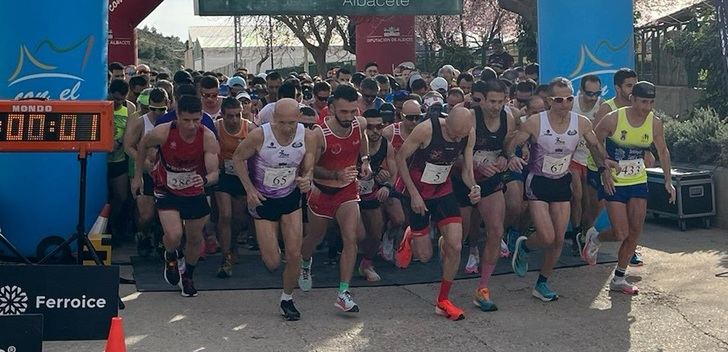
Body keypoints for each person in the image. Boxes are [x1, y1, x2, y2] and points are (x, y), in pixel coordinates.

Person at [506, 77, 607, 302]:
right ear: (550, 100)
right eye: (559, 99)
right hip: (538, 183)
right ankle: (525, 246)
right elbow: (513, 144)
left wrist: (603, 165)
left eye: (569, 99)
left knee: (558, 240)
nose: (565, 103)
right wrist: (512, 156)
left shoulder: (581, 123)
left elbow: (595, 145)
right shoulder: (535, 122)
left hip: (561, 182)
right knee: (547, 236)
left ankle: (542, 282)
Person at [582, 81, 676, 294]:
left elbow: (663, 151)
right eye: (643, 101)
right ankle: (595, 237)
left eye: (651, 102)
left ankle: (619, 278)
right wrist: (603, 165)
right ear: (632, 99)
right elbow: (593, 141)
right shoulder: (614, 118)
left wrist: (668, 181)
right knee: (620, 232)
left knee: (635, 231)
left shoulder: (655, 122)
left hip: (637, 180)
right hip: (614, 180)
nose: (647, 107)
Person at [232, 98, 315, 320]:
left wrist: (307, 179)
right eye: (282, 122)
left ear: (298, 118)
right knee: (272, 262)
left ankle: (287, 299)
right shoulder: (260, 135)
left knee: (294, 254)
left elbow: (309, 165)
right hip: (263, 200)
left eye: (291, 122)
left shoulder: (307, 135)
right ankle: (269, 247)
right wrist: (249, 189)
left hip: (289, 198)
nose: (287, 128)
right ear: (273, 119)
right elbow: (237, 158)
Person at [395, 106, 480, 320]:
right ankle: (410, 236)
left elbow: (468, 170)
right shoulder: (426, 130)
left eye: (459, 136)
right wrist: (413, 194)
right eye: (452, 134)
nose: (455, 139)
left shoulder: (467, 133)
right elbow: (400, 158)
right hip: (418, 190)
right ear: (446, 123)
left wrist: (474, 187)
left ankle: (443, 300)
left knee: (456, 245)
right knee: (425, 257)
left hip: (443, 189)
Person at [132, 95, 220, 297]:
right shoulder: (163, 132)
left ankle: (188, 275)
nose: (191, 125)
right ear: (177, 116)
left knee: (195, 238)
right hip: (166, 187)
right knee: (173, 235)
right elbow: (142, 146)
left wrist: (205, 180)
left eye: (196, 120)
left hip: (194, 189)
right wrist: (138, 176)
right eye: (186, 120)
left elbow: (215, 172)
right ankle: (170, 255)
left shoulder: (207, 136)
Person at [297, 85, 371, 313]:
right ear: (330, 110)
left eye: (353, 111)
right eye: (343, 112)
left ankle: (343, 292)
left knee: (351, 238)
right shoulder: (319, 135)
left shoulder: (360, 123)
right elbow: (310, 168)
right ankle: (305, 263)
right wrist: (334, 175)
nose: (349, 117)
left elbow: (364, 139)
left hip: (347, 190)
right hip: (322, 191)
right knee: (315, 236)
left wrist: (365, 160)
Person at [457, 80, 513, 311]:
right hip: (462, 179)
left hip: (489, 180)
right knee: (458, 236)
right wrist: (476, 166)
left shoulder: (507, 118)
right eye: (492, 101)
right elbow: (453, 155)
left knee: (496, 230)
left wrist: (505, 158)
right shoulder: (469, 117)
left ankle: (483, 287)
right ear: (482, 100)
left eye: (501, 102)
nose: (496, 106)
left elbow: (507, 147)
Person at [123, 88, 169, 256]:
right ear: (148, 107)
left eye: (161, 109)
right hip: (146, 172)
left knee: (165, 213)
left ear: (168, 105)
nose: (157, 113)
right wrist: (143, 163)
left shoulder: (172, 120)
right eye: (153, 109)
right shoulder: (141, 122)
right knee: (146, 215)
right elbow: (128, 146)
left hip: (165, 173)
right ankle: (143, 234)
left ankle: (159, 237)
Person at [213, 97, 255, 278]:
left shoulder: (250, 128)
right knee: (225, 215)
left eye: (237, 115)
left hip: (242, 177)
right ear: (222, 115)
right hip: (223, 176)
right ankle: (225, 257)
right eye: (230, 116)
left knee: (239, 219)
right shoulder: (216, 127)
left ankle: (233, 245)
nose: (234, 120)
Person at [356, 108, 397, 281]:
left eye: (379, 127)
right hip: (350, 193)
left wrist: (386, 185)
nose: (375, 131)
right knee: (358, 234)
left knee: (376, 231)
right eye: (370, 127)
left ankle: (366, 264)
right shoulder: (355, 143)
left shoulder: (386, 144)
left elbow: (394, 173)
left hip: (371, 191)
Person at [568, 74, 603, 254]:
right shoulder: (571, 104)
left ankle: (584, 232)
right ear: (581, 91)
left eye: (597, 93)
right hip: (571, 156)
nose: (593, 97)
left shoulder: (601, 107)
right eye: (589, 93)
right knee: (577, 195)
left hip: (591, 158)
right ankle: (575, 234)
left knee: (594, 201)